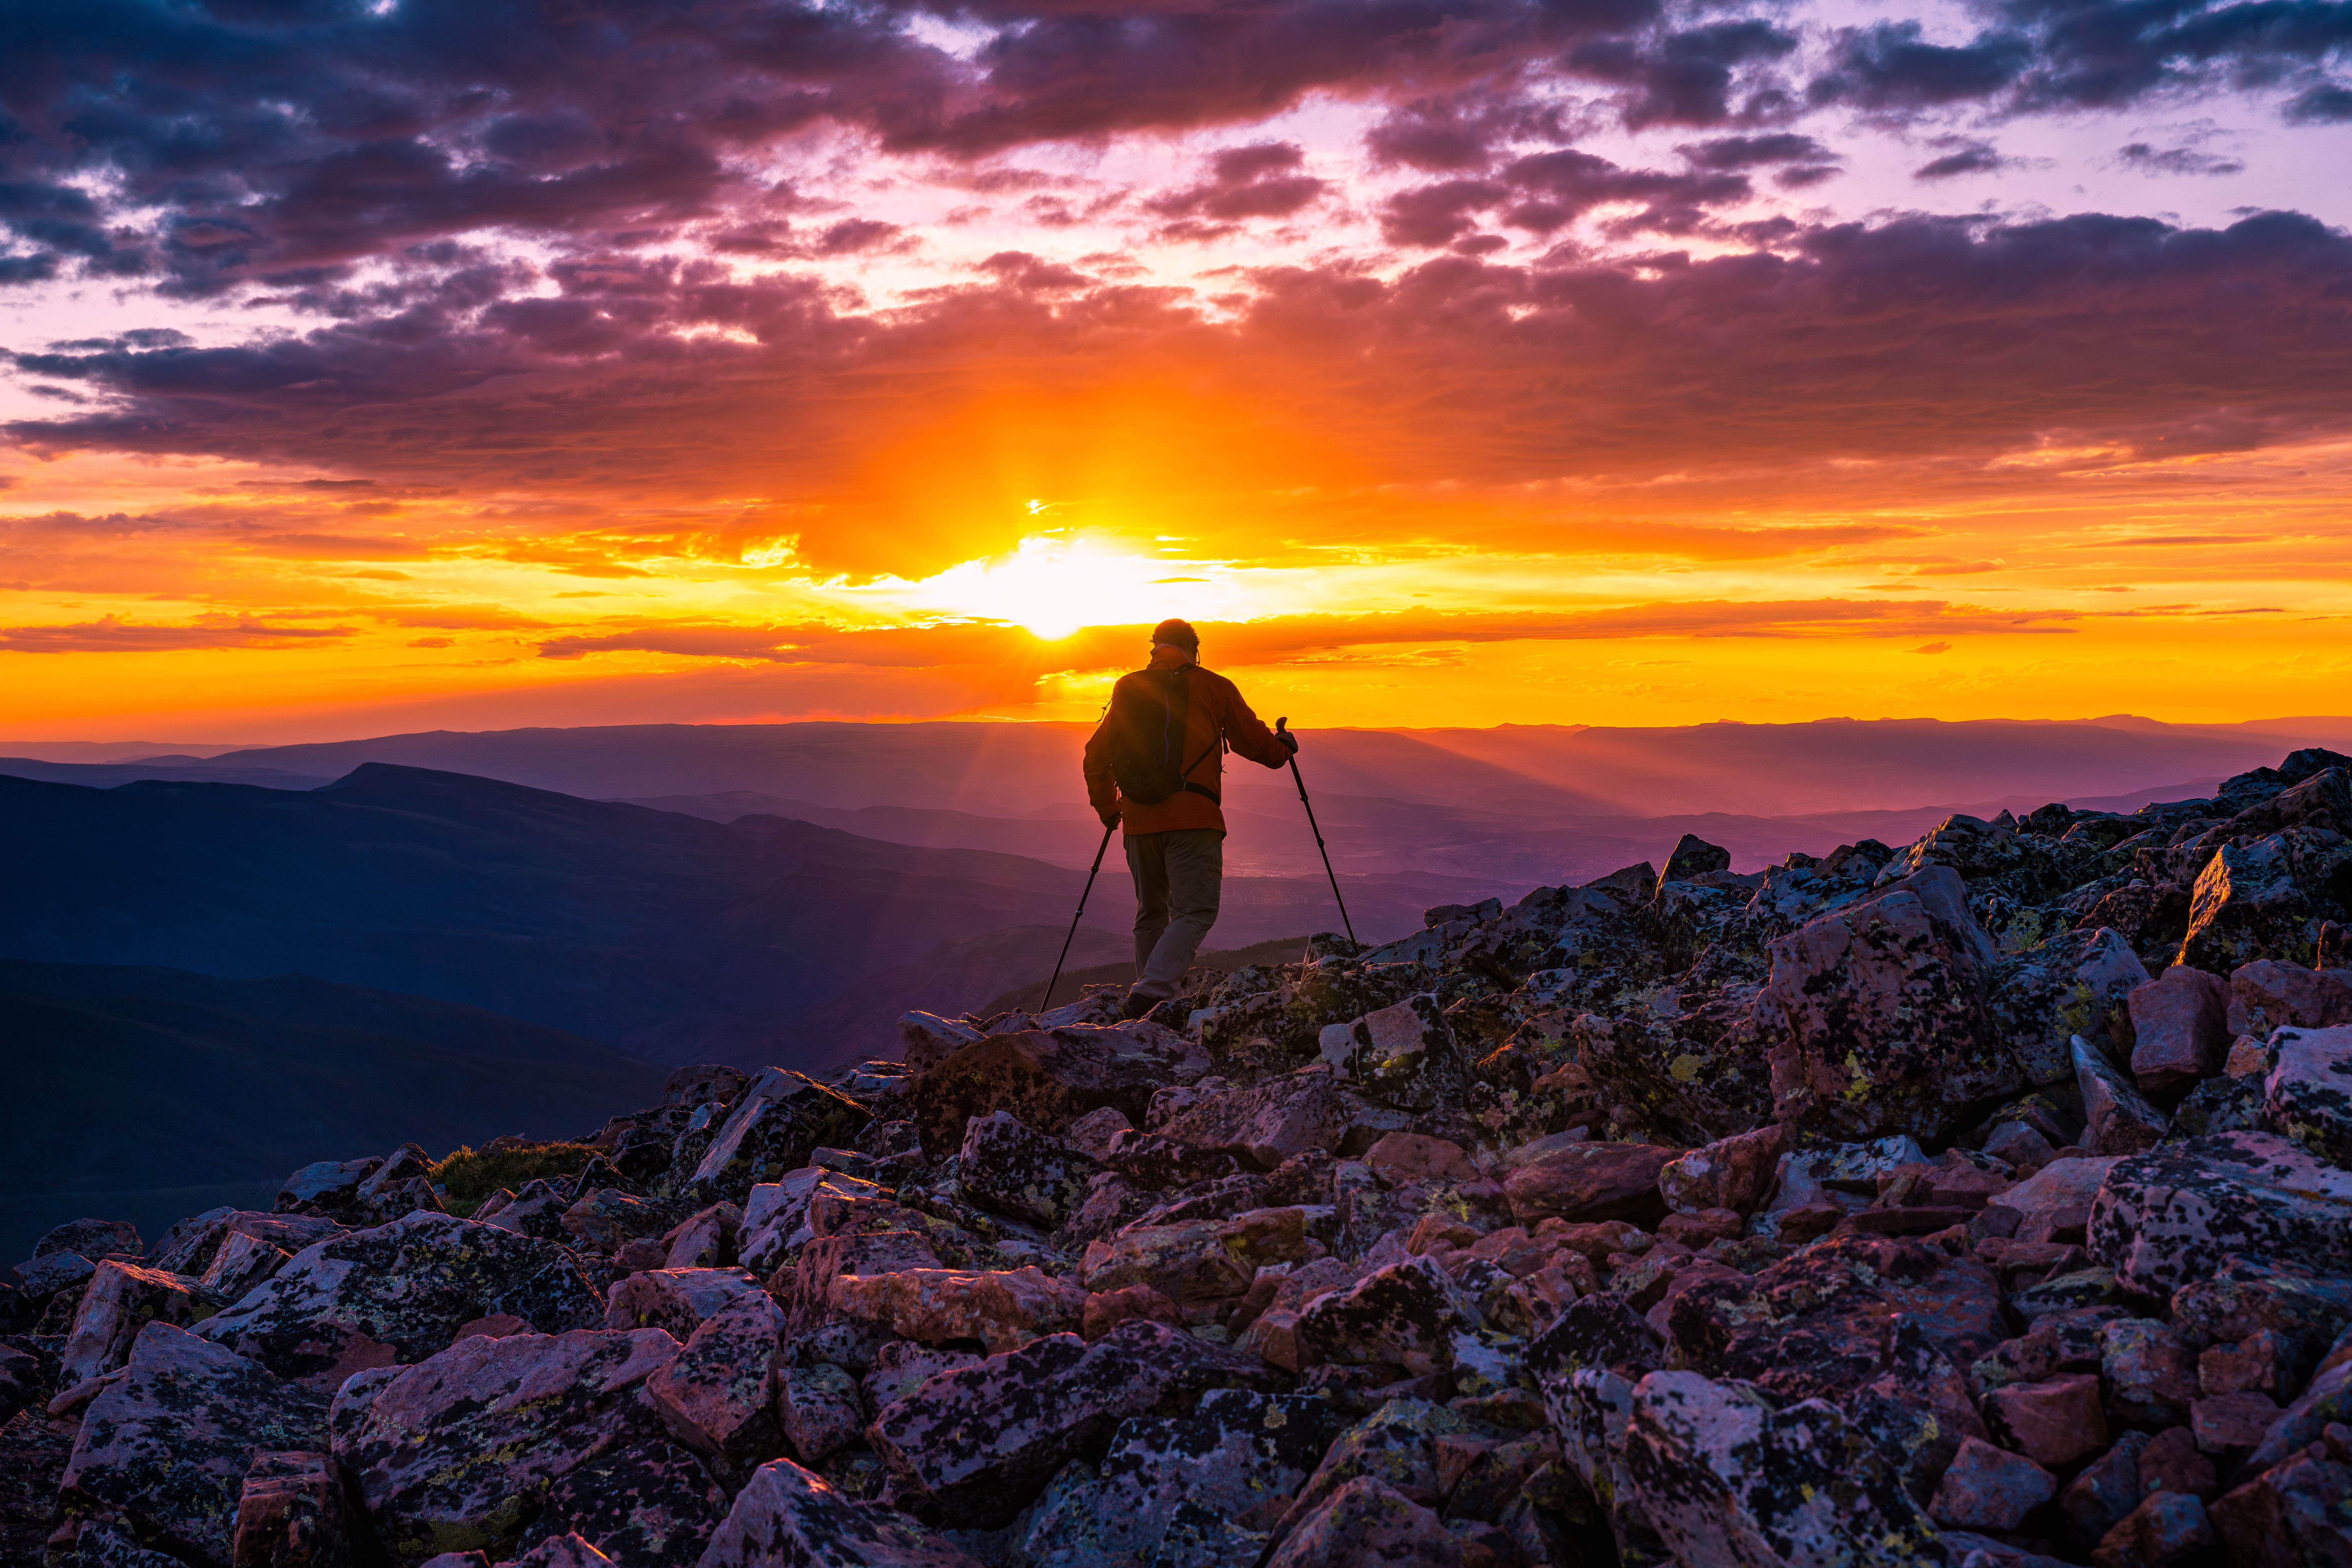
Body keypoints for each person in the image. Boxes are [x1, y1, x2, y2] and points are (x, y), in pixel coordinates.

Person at [1082, 618, 1296, 1020]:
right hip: (1194, 818)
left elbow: (1095, 756)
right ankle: (1151, 994)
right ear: (1195, 649)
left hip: (1139, 821)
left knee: (1151, 912)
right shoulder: (1213, 686)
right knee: (1195, 910)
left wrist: (1110, 810)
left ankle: (1148, 1006)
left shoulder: (1130, 691)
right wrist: (1283, 748)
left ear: (1155, 648)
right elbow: (1256, 745)